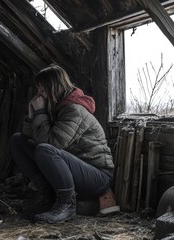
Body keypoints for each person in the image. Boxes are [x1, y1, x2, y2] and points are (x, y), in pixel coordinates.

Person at [10, 64, 119, 223]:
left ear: (53, 88)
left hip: (97, 176)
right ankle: (46, 196)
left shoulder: (74, 110)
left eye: (42, 90)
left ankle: (66, 206)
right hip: (72, 170)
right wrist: (31, 115)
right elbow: (29, 136)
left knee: (45, 150)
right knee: (18, 140)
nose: (38, 95)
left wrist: (40, 113)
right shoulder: (55, 107)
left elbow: (52, 144)